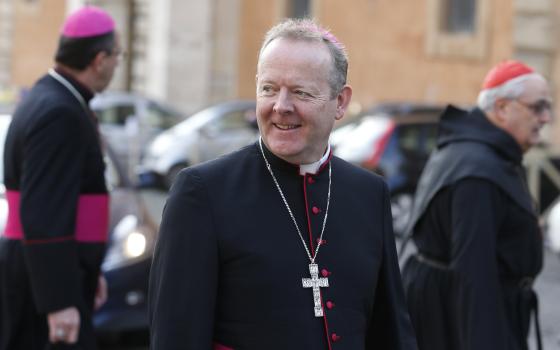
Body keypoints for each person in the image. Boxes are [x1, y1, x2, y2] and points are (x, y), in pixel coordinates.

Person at [148, 18, 417, 350]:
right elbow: (177, 337)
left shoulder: (368, 194)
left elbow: (390, 331)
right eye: (269, 89)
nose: (281, 106)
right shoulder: (202, 193)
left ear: (341, 102)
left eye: (301, 92)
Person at [401, 60, 551, 350]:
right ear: (503, 108)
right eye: (538, 107)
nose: (546, 118)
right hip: (456, 321)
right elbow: (474, 276)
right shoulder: (477, 171)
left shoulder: (480, 151)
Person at [0, 6, 120, 350]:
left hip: (51, 272)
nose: (116, 64)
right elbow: (44, 213)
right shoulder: (59, 112)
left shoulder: (57, 98)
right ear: (99, 59)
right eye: (117, 55)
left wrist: (88, 271)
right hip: (42, 284)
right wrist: (59, 300)